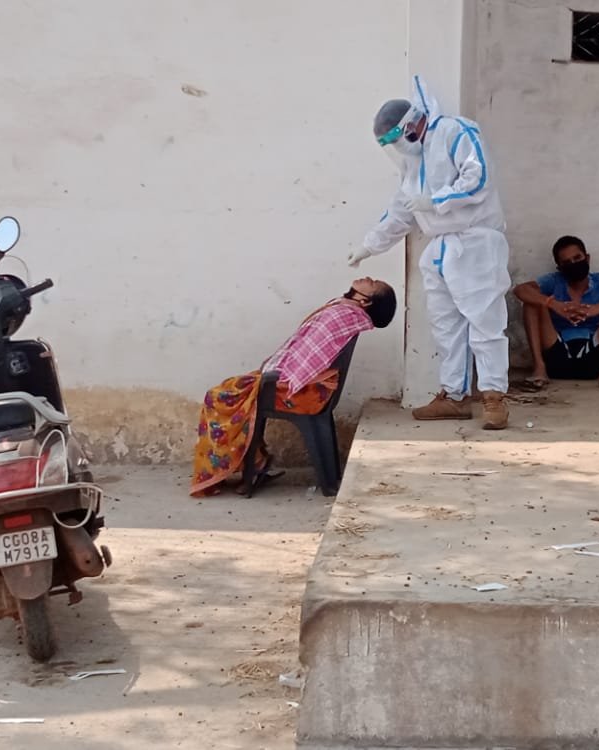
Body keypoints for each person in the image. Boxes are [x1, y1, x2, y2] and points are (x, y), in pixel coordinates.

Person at [348, 75, 511, 430]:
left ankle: (494, 397)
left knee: (485, 322)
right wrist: (369, 245)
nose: (397, 147)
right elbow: (400, 211)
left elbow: (478, 178)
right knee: (446, 326)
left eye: (396, 139)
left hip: (475, 241)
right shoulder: (412, 162)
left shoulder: (455, 131)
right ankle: (454, 396)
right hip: (440, 248)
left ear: (410, 126)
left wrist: (437, 200)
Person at [190, 278, 397, 496]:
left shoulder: (341, 315)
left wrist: (270, 375)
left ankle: (239, 467)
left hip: (296, 390)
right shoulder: (345, 312)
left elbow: (304, 363)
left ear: (365, 301)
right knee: (235, 391)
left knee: (218, 396)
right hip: (301, 384)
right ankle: (254, 463)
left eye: (373, 283)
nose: (367, 278)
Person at [513, 235, 599, 394]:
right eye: (567, 262)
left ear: (587, 258)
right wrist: (553, 304)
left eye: (577, 258)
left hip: (595, 358)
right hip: (557, 357)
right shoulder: (553, 281)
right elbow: (521, 290)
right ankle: (539, 369)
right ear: (559, 268)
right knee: (532, 301)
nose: (574, 264)